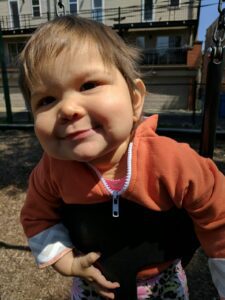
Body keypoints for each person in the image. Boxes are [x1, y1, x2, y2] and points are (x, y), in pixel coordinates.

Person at [19, 15, 225, 300]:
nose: (67, 108)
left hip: (161, 282)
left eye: (89, 85)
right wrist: (66, 263)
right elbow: (36, 216)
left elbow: (219, 212)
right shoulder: (52, 171)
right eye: (47, 100)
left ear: (135, 100)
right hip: (94, 285)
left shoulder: (172, 160)